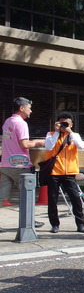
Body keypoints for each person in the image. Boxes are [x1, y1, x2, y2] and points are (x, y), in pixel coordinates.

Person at [0, 97, 46, 232]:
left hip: (6, 165)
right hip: (20, 166)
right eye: (29, 107)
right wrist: (39, 142)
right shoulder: (21, 123)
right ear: (22, 108)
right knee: (27, 195)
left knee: (1, 196)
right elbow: (24, 144)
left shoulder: (7, 121)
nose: (30, 110)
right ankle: (29, 222)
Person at [44, 112, 84, 233]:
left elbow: (81, 146)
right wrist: (57, 132)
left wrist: (70, 133)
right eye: (62, 123)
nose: (64, 126)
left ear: (71, 124)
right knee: (52, 200)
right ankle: (54, 224)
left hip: (69, 172)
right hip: (54, 172)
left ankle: (80, 224)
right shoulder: (51, 134)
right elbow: (49, 147)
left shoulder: (74, 135)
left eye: (66, 123)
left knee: (75, 198)